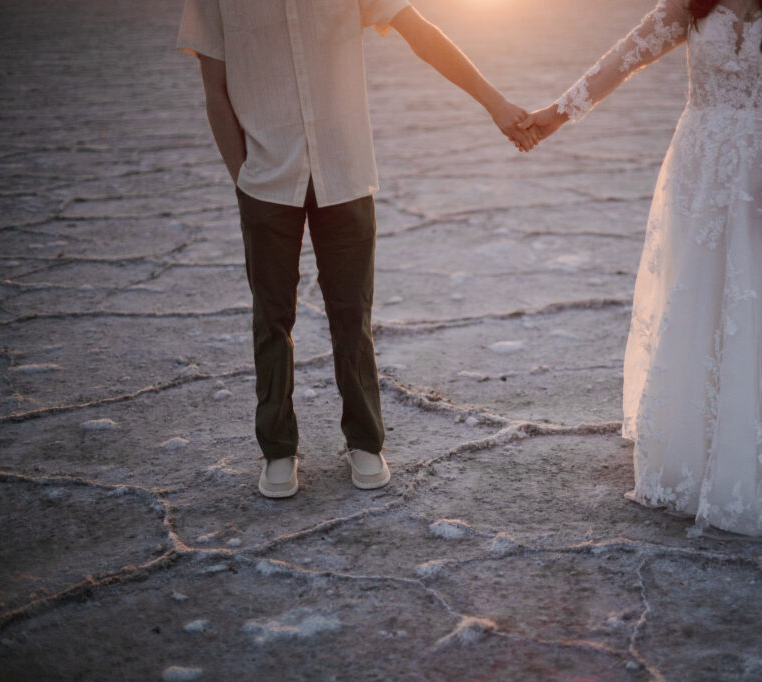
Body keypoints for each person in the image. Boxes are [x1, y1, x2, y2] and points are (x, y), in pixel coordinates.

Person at [521, 0, 762, 539]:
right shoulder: (692, 2)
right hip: (700, 173)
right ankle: (701, 446)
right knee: (701, 301)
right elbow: (623, 58)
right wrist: (555, 114)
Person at [177, 0, 538, 498]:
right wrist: (242, 177)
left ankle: (365, 441)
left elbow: (421, 34)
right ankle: (278, 450)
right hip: (265, 177)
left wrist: (494, 102)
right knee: (272, 317)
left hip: (344, 171)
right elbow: (214, 87)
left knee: (352, 315)